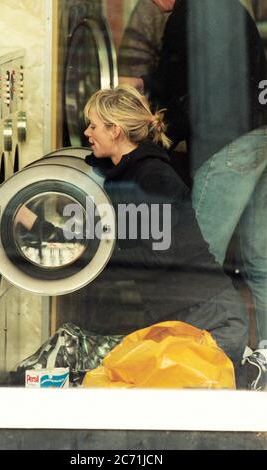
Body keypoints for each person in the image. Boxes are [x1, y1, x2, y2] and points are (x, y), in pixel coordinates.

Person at [83, 84, 249, 387]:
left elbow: (161, 254)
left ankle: (251, 373)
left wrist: (95, 260)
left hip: (210, 321)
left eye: (93, 125)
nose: (86, 132)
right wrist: (35, 223)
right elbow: (96, 235)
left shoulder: (152, 178)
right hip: (183, 317)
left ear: (115, 130)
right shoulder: (122, 176)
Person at [132, 0, 267, 357]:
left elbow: (191, 90)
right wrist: (146, 82)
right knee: (261, 259)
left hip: (228, 141)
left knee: (196, 260)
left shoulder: (189, 15)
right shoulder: (224, 7)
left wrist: (160, 139)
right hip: (260, 132)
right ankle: (265, 356)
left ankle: (196, 360)